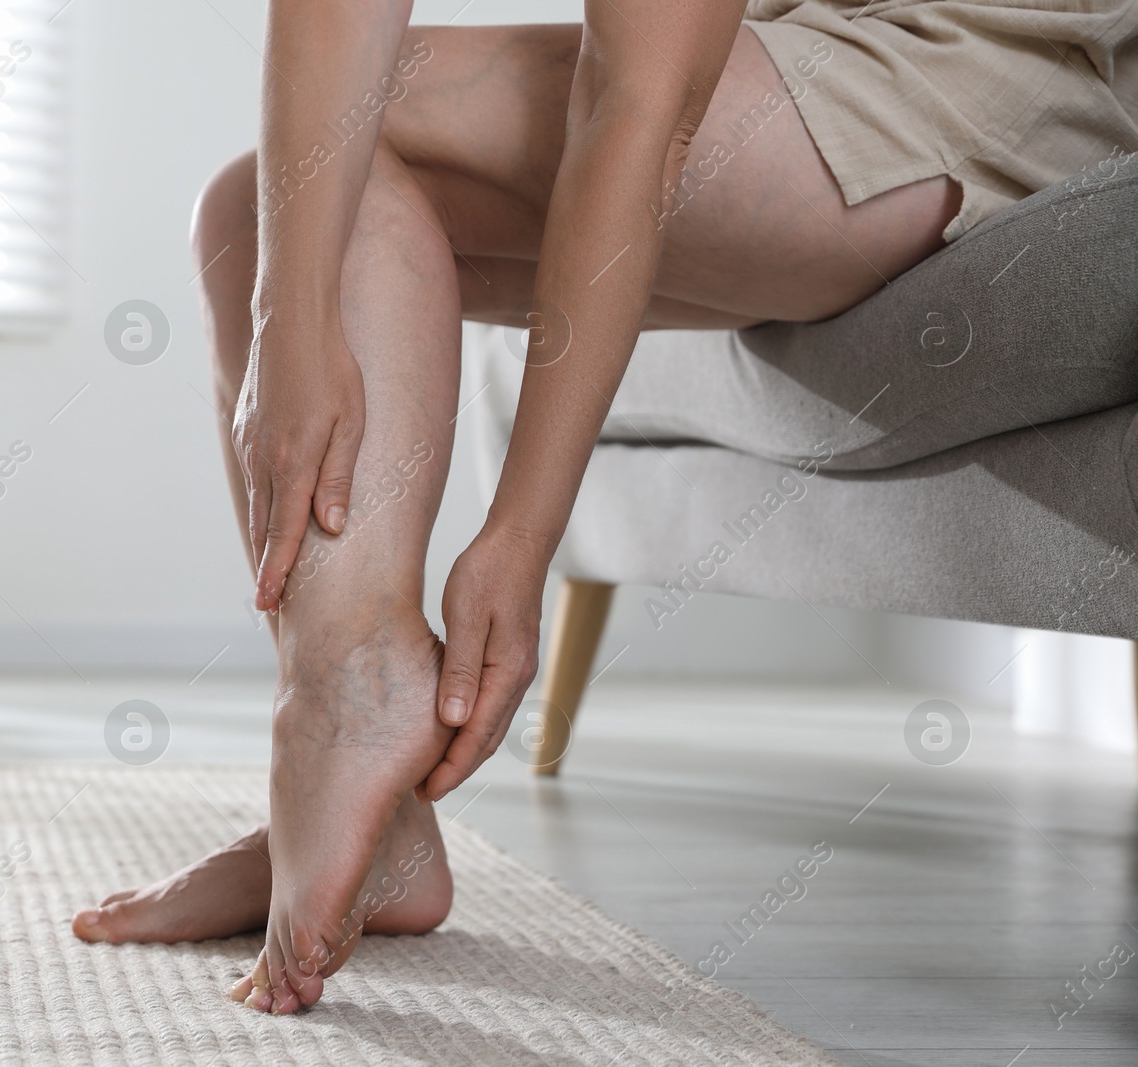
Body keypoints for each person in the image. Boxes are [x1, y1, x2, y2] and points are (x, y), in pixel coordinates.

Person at [74, 0, 1138, 1014]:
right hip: (800, 56)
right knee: (244, 215)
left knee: (359, 123)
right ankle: (360, 765)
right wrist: (283, 322)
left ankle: (347, 710)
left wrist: (521, 533)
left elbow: (636, 104)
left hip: (991, 68)